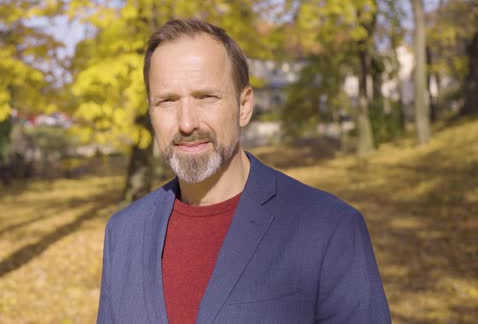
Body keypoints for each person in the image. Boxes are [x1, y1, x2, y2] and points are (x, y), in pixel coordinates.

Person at [97, 18, 391, 324]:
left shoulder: (328, 228)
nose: (186, 123)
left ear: (244, 105)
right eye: (167, 101)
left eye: (206, 97)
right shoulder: (124, 233)